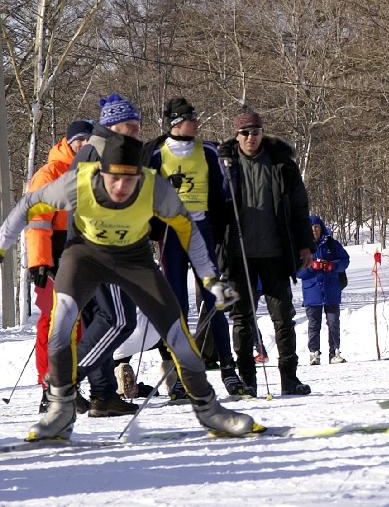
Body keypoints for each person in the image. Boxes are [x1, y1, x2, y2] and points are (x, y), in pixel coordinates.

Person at [0, 133, 252, 440]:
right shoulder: (78, 183)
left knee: (178, 334)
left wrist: (210, 278)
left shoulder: (153, 187)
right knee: (60, 327)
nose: (121, 188)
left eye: (129, 179)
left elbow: (188, 229)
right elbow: (28, 206)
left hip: (134, 259)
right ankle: (60, 409)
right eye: (113, 179)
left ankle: (210, 411)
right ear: (100, 172)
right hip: (85, 256)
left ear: (140, 175)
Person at [145, 97, 247, 396]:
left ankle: (228, 369)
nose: (197, 122)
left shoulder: (210, 149)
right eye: (192, 118)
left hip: (202, 232)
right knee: (177, 306)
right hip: (171, 233)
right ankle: (179, 375)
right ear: (176, 123)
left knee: (213, 299)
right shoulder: (156, 152)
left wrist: (234, 167)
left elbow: (227, 190)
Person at [217, 110, 315, 396]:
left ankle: (290, 377)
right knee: (243, 319)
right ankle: (247, 378)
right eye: (245, 132)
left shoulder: (282, 163)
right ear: (236, 135)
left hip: (275, 252)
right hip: (238, 255)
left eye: (256, 131)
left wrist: (305, 243)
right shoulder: (225, 164)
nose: (251, 137)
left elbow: (299, 206)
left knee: (283, 316)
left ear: (263, 133)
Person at [69, 94, 142, 415]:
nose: (137, 131)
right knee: (119, 319)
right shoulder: (98, 151)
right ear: (114, 125)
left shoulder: (103, 149)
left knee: (103, 319)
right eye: (132, 126)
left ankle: (102, 395)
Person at [26, 120, 93, 412]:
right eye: (79, 140)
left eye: (88, 140)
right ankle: (47, 386)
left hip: (81, 251)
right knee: (53, 324)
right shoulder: (50, 173)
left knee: (76, 325)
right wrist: (40, 261)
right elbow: (37, 221)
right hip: (52, 253)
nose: (84, 145)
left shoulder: (91, 170)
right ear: (68, 143)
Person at [297, 215, 350, 365]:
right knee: (314, 324)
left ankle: (335, 352)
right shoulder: (302, 247)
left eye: (316, 227)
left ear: (321, 228)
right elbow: (297, 271)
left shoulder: (332, 244)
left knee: (333, 323)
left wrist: (332, 266)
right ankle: (314, 354)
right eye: (311, 228)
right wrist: (311, 267)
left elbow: (345, 261)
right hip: (312, 292)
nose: (314, 230)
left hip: (331, 290)